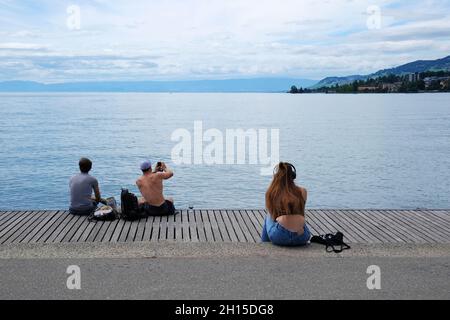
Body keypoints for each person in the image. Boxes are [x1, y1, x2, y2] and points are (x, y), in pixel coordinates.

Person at [261, 162, 311, 246]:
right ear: (293, 176)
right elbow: (301, 213)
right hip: (301, 236)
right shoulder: (303, 191)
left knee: (269, 215)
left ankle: (264, 245)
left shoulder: (271, 192)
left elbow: (273, 217)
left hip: (279, 236)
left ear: (276, 177)